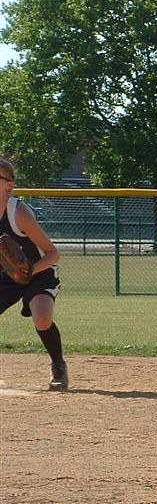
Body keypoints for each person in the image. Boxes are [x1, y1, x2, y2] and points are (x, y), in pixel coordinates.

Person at [0, 159, 68, 390]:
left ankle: (58, 365)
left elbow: (52, 253)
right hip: (5, 274)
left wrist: (27, 271)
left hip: (39, 272)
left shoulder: (18, 213)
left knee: (42, 318)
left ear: (9, 184)